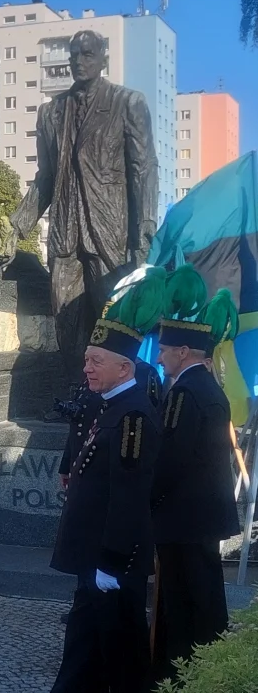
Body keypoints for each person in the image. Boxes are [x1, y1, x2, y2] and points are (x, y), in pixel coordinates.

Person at [3, 30, 159, 383]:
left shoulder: (126, 102)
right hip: (65, 235)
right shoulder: (50, 112)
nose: (79, 60)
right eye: (74, 54)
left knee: (113, 320)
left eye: (87, 54)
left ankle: (119, 390)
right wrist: (17, 225)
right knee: (66, 322)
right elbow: (45, 176)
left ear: (104, 57)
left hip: (111, 233)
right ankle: (76, 395)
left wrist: (146, 222)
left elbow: (144, 167)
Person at [50, 268, 165, 693]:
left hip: (110, 560)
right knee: (84, 647)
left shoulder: (132, 415)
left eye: (96, 361)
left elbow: (130, 496)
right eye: (85, 360)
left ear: (124, 366)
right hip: (92, 553)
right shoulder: (107, 405)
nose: (87, 369)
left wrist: (112, 562)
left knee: (121, 654)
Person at [150, 269, 241, 684]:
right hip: (202, 512)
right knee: (203, 593)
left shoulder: (185, 392)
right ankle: (207, 666)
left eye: (166, 350)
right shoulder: (206, 387)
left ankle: (185, 672)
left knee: (188, 599)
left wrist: (146, 497)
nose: (160, 357)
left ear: (184, 351)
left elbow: (172, 457)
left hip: (184, 515)